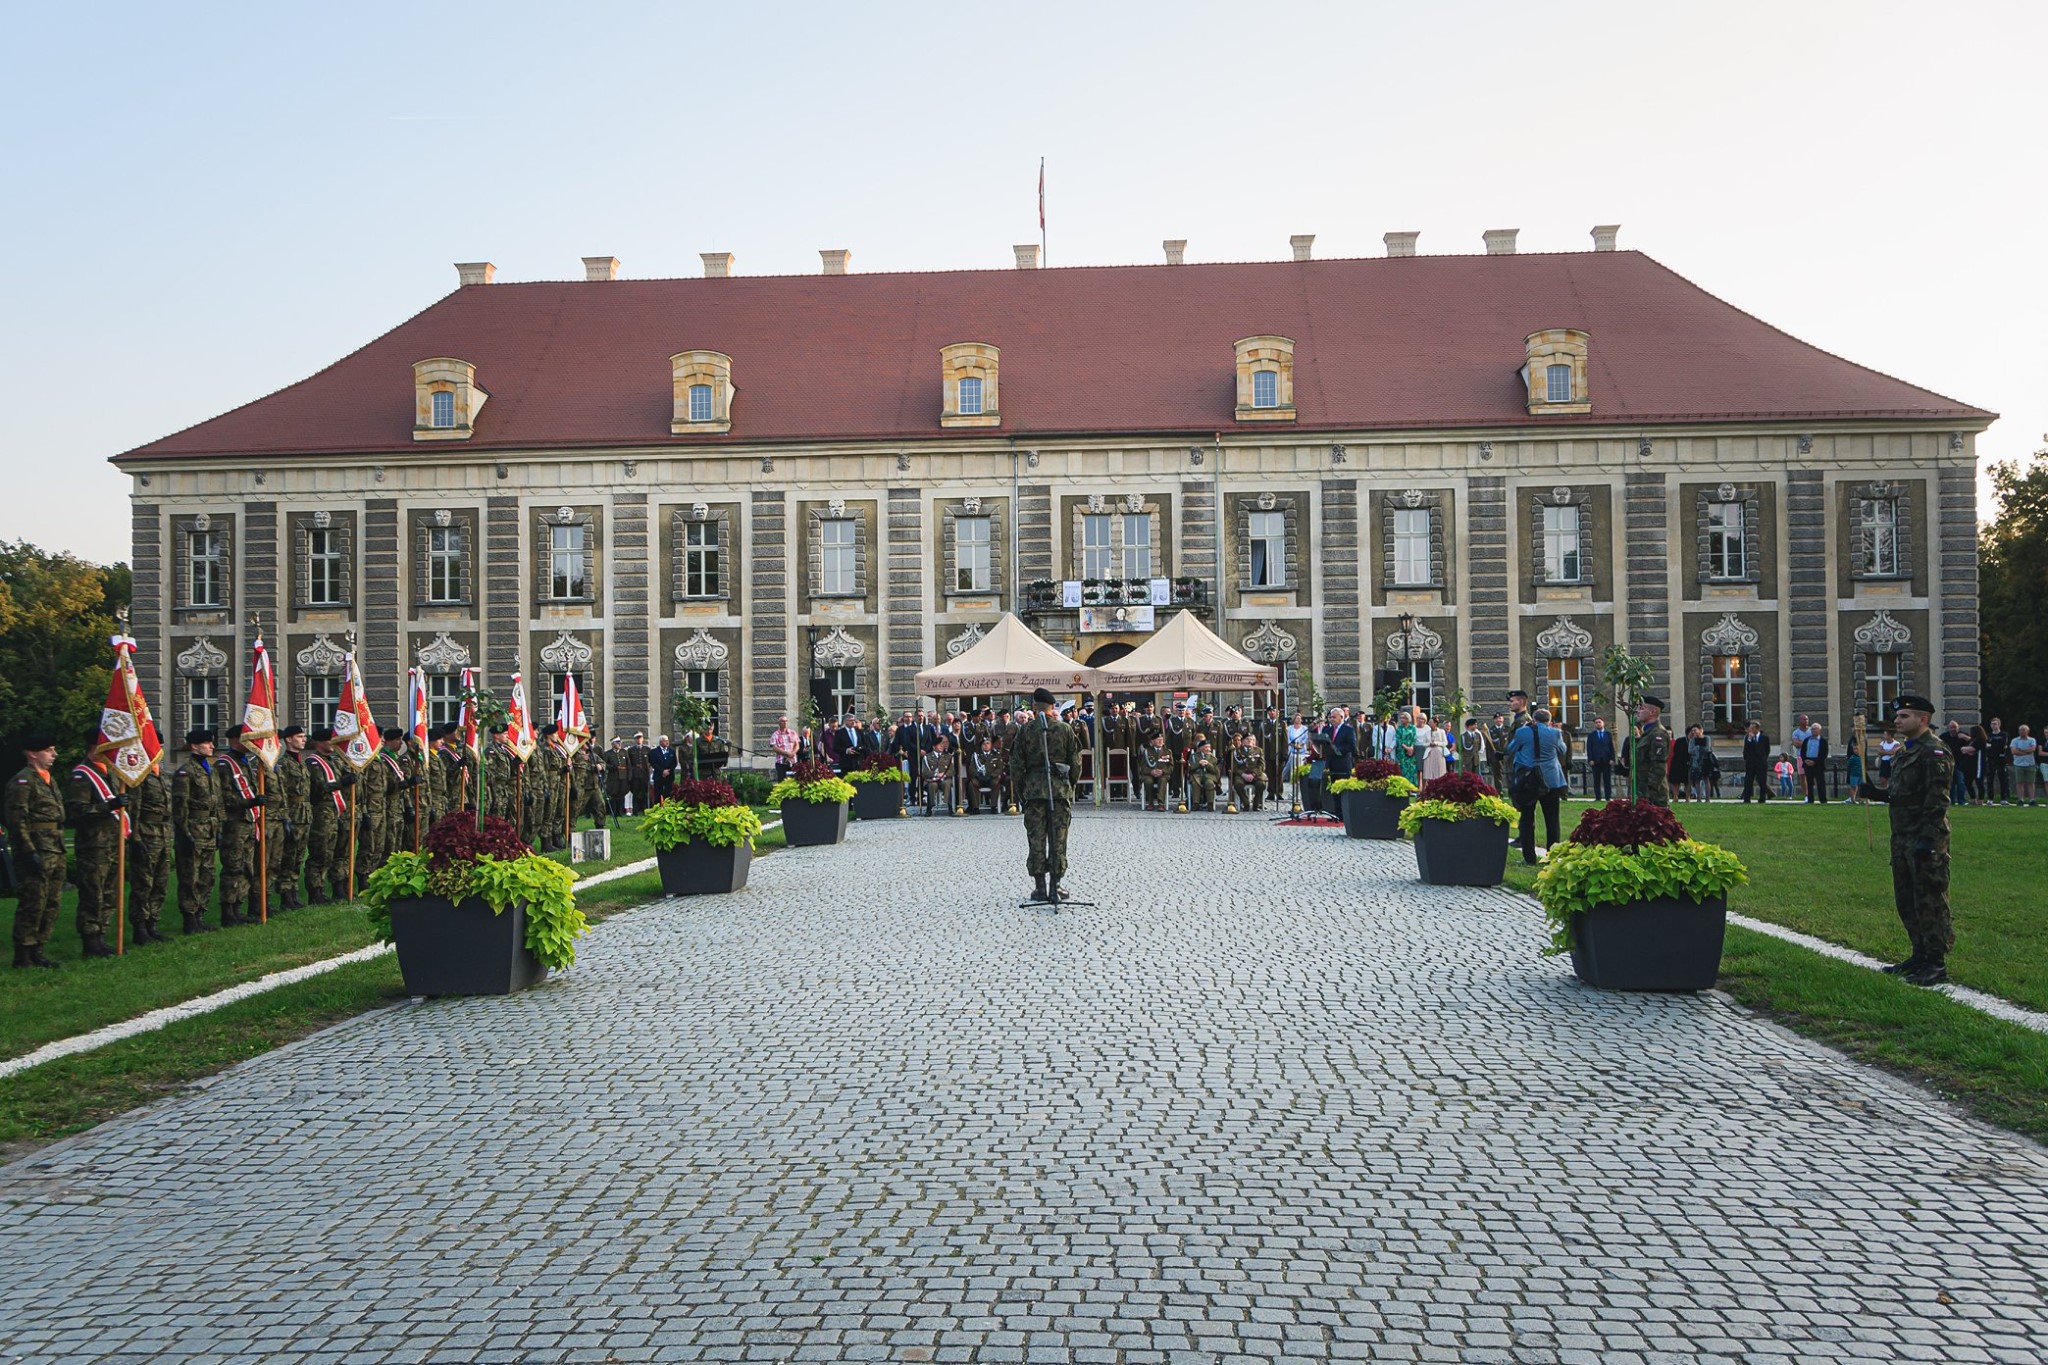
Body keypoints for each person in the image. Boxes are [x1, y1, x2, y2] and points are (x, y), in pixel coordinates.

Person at [1857, 695, 1954, 986]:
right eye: (1897, 716)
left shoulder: (1934, 751)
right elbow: (1902, 794)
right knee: (1907, 899)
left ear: (1923, 719)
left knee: (1929, 900)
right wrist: (1876, 794)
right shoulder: (1904, 752)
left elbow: (1937, 799)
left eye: (1904, 716)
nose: (1897, 721)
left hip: (1925, 838)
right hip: (1902, 837)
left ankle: (1935, 962)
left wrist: (1928, 839)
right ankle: (1919, 954)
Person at [1010, 686, 1078, 902]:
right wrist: (1069, 786)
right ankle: (1055, 887)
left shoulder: (1026, 731)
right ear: (1052, 706)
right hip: (1059, 792)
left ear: (1034, 706)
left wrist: (1023, 791)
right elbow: (1075, 763)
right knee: (1058, 840)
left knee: (1036, 840)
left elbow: (1016, 765)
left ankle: (1040, 888)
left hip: (1034, 792)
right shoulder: (1065, 729)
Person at [66, 731, 130, 957]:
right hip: (93, 845)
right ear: (95, 747)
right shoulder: (82, 775)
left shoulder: (109, 773)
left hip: (111, 843)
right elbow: (76, 812)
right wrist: (108, 806)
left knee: (110, 892)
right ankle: (90, 940)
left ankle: (101, 935)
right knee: (93, 893)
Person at [6, 733, 67, 967]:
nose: (54, 754)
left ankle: (38, 949)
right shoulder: (23, 781)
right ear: (33, 754)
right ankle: (24, 952)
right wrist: (28, 851)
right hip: (37, 848)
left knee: (52, 902)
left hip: (55, 848)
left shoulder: (49, 779)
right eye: (49, 750)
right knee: (33, 902)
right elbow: (17, 820)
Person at [173, 729, 225, 932]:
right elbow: (180, 806)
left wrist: (219, 828)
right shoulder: (186, 772)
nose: (212, 746)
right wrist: (185, 834)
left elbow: (217, 802)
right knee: (190, 875)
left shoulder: (211, 770)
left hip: (210, 829)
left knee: (207, 874)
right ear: (194, 746)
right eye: (207, 743)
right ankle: (189, 918)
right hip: (194, 829)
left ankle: (200, 915)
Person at [1508, 706, 1568, 865]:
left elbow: (1510, 748)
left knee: (1527, 819)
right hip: (1551, 779)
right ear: (1549, 721)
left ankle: (1529, 858)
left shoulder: (1522, 732)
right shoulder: (1555, 733)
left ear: (1533, 720)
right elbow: (1562, 750)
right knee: (1552, 820)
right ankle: (1551, 857)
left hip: (1528, 780)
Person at [127, 747, 174, 942]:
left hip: (163, 833)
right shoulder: (139, 776)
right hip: (146, 833)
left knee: (160, 882)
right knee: (143, 883)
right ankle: (139, 927)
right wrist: (135, 838)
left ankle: (152, 924)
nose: (159, 751)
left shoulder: (163, 776)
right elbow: (133, 809)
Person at [1625, 696, 1672, 807]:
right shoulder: (1647, 733)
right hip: (1641, 792)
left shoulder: (1658, 734)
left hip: (1653, 797)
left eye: (1642, 708)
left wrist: (1648, 794)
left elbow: (1658, 767)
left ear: (1652, 712)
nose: (1638, 711)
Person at [1583, 717, 1615, 800]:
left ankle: (1608, 797)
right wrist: (1590, 759)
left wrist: (1612, 758)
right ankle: (1598, 797)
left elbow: (1611, 747)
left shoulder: (1608, 734)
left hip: (1606, 760)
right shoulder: (1591, 735)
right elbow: (1589, 748)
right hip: (1595, 761)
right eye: (1596, 722)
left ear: (1603, 723)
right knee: (1596, 780)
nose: (1598, 724)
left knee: (1607, 780)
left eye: (1599, 722)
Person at [1740, 721, 1772, 802]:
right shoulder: (1748, 737)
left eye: (1752, 728)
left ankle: (1762, 798)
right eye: (1750, 728)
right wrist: (1750, 739)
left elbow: (1767, 750)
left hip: (1761, 763)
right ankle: (1747, 799)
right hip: (1750, 763)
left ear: (1757, 729)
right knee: (1748, 781)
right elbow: (1746, 749)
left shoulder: (1764, 738)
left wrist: (1763, 759)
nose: (1750, 730)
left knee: (1762, 781)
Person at [1686, 725, 1718, 802]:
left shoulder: (1707, 738)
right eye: (1692, 731)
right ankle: (1698, 799)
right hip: (1696, 762)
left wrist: (1698, 749)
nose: (1693, 732)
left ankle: (1707, 799)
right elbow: (1690, 750)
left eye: (1695, 730)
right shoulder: (1692, 740)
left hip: (1705, 761)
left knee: (1706, 779)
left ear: (1700, 730)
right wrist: (1698, 749)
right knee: (1697, 780)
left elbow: (1707, 748)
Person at [1983, 718, 2012, 805]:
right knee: (1990, 779)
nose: (1993, 726)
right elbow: (1986, 747)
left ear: (1999, 724)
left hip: (2001, 759)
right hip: (1991, 759)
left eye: (1995, 724)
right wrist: (1994, 745)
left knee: (2003, 779)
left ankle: (2004, 798)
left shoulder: (2004, 734)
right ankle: (1990, 798)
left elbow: (2002, 745)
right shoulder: (1988, 735)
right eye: (1992, 724)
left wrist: (1992, 745)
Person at [2009, 724, 2038, 806]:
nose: (2021, 731)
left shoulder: (2032, 740)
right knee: (2019, 782)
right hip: (2018, 764)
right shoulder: (2014, 740)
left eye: (2023, 730)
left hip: (2030, 764)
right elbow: (2014, 751)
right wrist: (2026, 752)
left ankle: (2032, 799)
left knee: (2031, 782)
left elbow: (2032, 749)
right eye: (2020, 730)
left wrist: (2020, 750)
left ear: (2027, 731)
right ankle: (2020, 799)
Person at [1801, 721, 1830, 804]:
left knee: (1820, 782)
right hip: (1807, 763)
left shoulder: (1823, 741)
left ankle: (1823, 799)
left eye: (1816, 729)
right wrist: (1805, 760)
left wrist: (1815, 762)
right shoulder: (1806, 740)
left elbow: (1824, 754)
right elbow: (1803, 751)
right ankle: (1810, 799)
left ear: (1819, 730)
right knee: (1809, 782)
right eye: (1812, 729)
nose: (1814, 731)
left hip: (1818, 764)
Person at [1420, 713, 1449, 782]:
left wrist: (1436, 743)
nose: (1429, 723)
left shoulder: (1441, 732)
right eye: (1429, 722)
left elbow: (1445, 743)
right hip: (1429, 753)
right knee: (1429, 772)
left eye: (1431, 722)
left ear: (1435, 723)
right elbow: (1423, 743)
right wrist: (1429, 744)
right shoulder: (1426, 732)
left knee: (1439, 771)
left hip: (1439, 753)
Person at [649, 734, 677, 804]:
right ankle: (658, 807)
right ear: (660, 742)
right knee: (658, 793)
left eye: (667, 740)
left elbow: (674, 763)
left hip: (669, 775)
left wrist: (668, 771)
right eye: (665, 741)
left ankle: (668, 806)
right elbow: (653, 763)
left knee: (668, 793)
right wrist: (662, 771)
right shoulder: (654, 752)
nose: (667, 742)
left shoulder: (672, 751)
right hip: (659, 775)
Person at [769, 715, 799, 779]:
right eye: (783, 721)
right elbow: (774, 748)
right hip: (781, 762)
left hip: (793, 761)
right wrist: (787, 753)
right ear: (779, 723)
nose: (785, 723)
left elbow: (797, 745)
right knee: (782, 781)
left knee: (794, 781)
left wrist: (792, 753)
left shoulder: (793, 733)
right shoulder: (775, 735)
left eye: (786, 721)